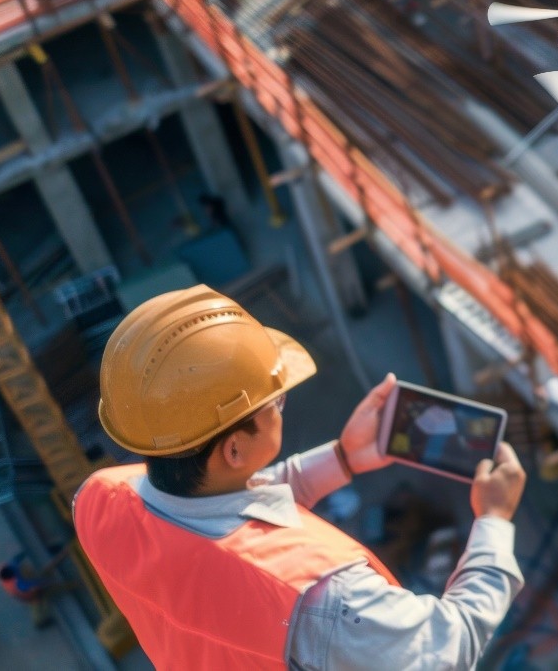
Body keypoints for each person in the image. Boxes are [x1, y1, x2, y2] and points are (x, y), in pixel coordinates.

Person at [73, 285, 527, 670]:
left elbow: (221, 516)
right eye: (277, 404)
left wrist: (342, 458)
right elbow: (448, 648)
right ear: (233, 448)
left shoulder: (96, 501)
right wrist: (494, 520)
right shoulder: (322, 601)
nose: (282, 408)